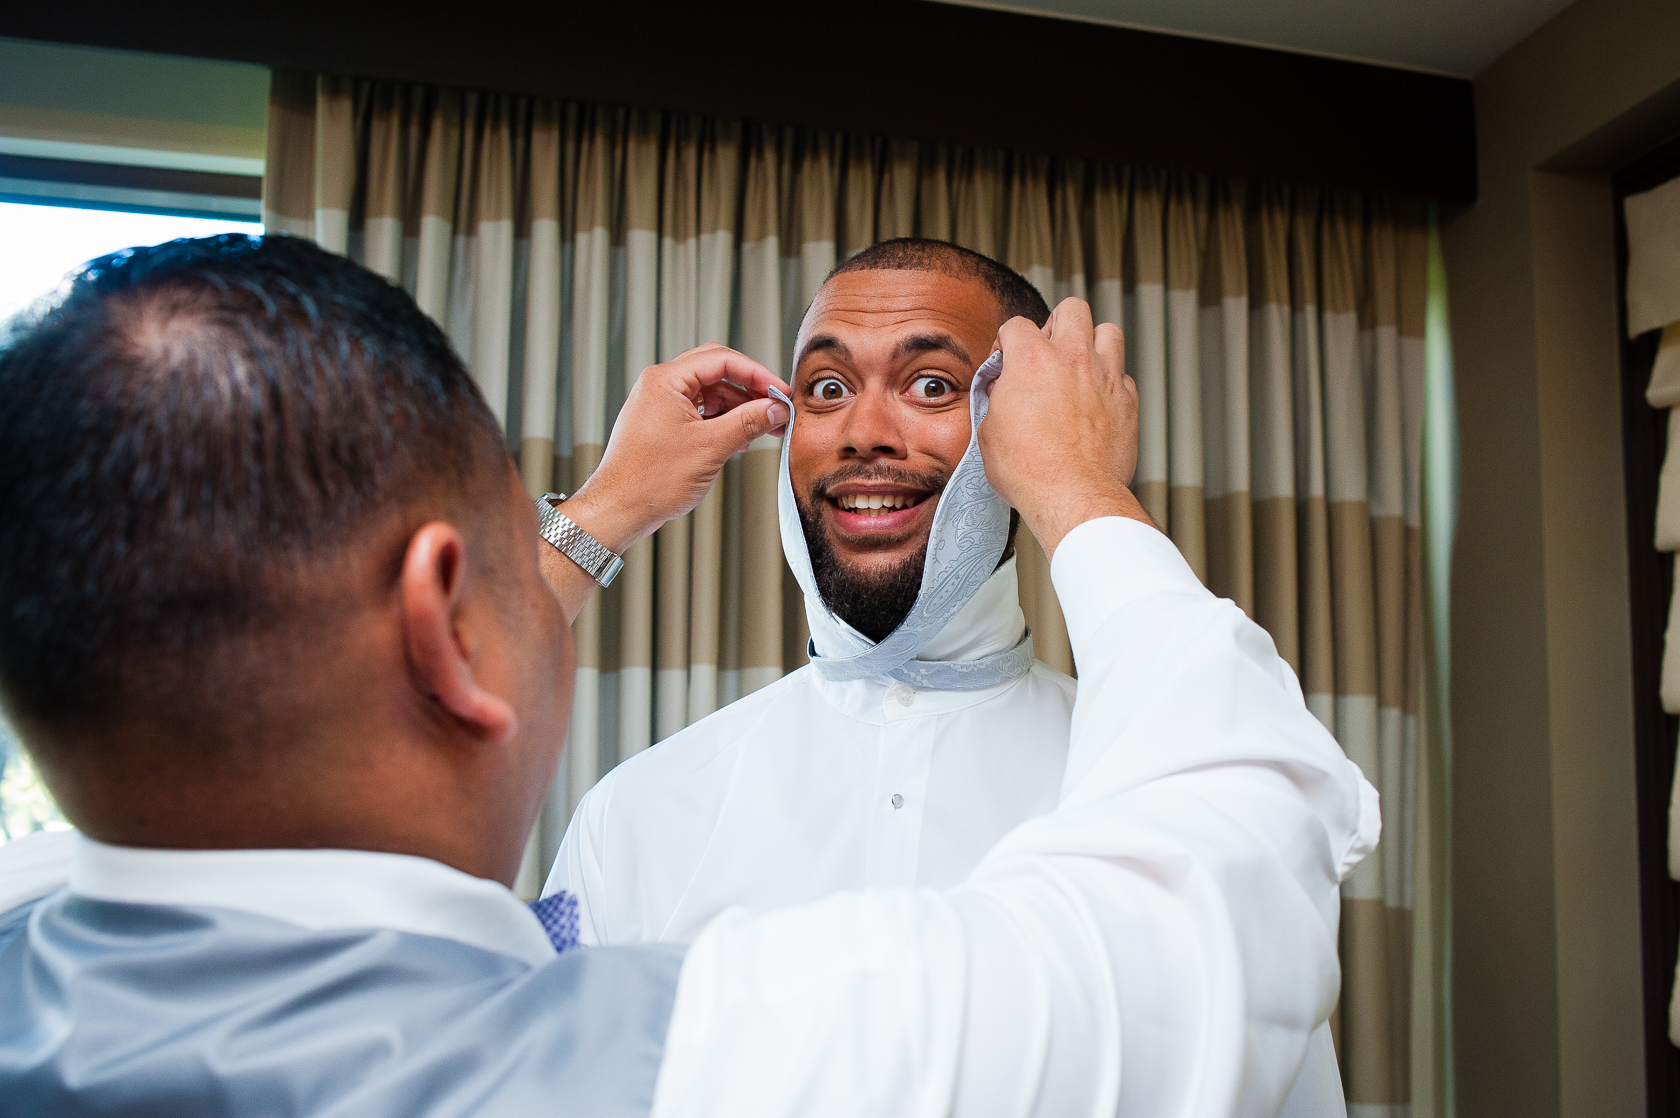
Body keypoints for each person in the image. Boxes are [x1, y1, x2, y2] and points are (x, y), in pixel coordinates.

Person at [0, 234, 1372, 1117]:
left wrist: (581, 525)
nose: (865, 431)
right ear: (443, 628)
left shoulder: (33, 950)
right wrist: (1087, 489)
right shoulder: (642, 832)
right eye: (824, 388)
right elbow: (1236, 874)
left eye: (936, 385)